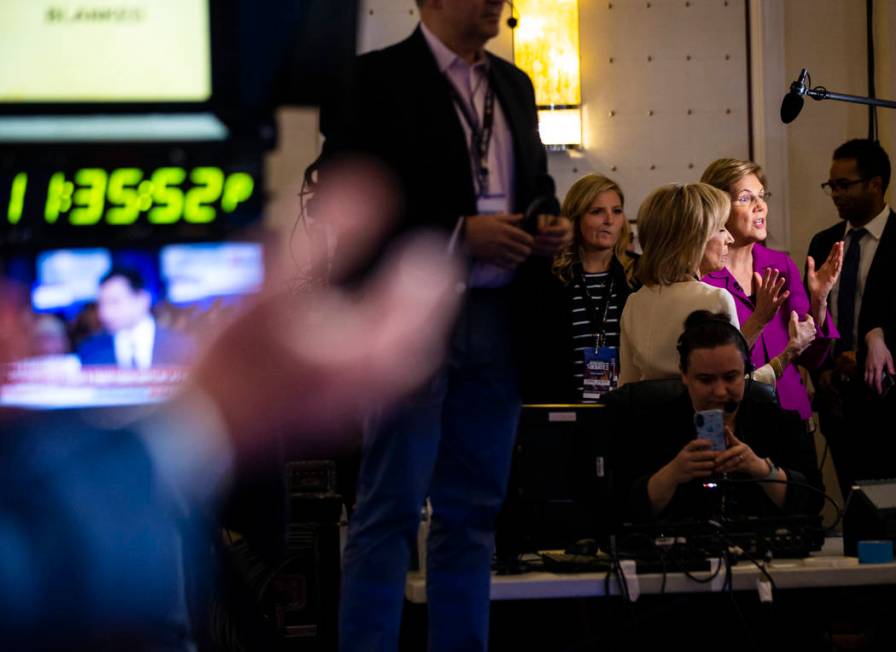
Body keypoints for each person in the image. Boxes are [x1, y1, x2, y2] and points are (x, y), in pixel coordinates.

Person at [0, 161, 463, 647]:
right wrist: (205, 419)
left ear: (141, 301)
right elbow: (36, 568)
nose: (14, 319)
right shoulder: (87, 361)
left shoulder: (176, 345)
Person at [315, 2, 572, 650]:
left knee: (475, 513)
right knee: (391, 509)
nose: (496, 3)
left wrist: (546, 222)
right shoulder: (374, 79)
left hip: (499, 318)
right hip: (412, 319)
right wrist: (459, 233)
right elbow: (345, 206)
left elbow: (533, 183)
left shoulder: (514, 85)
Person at [609, 310, 824, 522]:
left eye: (731, 377)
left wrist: (762, 469)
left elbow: (815, 502)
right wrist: (672, 474)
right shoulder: (651, 426)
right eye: (705, 380)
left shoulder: (780, 423)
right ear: (684, 374)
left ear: (746, 371)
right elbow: (619, 508)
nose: (720, 391)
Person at [618, 183, 815, 386]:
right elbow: (735, 384)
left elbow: (626, 386)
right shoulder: (715, 298)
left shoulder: (634, 302)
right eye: (721, 229)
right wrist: (790, 352)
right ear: (693, 239)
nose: (729, 238)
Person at [701, 158, 842, 422]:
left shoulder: (780, 265)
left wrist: (819, 301)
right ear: (718, 208)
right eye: (745, 198)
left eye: (762, 196)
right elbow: (707, 367)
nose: (760, 206)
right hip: (734, 420)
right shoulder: (703, 278)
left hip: (790, 413)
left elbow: (812, 357)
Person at [808, 138, 896, 493]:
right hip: (838, 403)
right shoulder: (823, 243)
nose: (835, 193)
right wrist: (823, 372)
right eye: (831, 185)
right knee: (854, 514)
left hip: (888, 403)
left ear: (875, 184)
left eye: (844, 185)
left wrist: (871, 347)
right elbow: (809, 318)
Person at [517, 173, 638, 403]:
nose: (609, 220)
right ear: (575, 218)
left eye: (617, 210)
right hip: (561, 404)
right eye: (597, 211)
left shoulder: (636, 274)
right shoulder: (552, 277)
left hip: (624, 408)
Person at [77, 267, 193, 368]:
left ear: (143, 300)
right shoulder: (91, 350)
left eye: (114, 302)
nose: (105, 313)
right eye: (101, 304)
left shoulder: (183, 347)